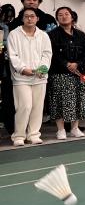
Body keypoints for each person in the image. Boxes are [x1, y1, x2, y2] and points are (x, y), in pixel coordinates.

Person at [7, 8, 52, 146]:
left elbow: (47, 54)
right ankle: (19, 136)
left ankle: (33, 134)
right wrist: (22, 69)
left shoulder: (43, 35)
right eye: (26, 16)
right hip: (21, 77)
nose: (29, 19)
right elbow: (12, 55)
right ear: (22, 19)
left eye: (32, 16)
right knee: (24, 106)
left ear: (37, 18)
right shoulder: (14, 34)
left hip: (40, 77)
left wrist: (43, 69)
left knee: (37, 107)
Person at [47, 7, 85, 140]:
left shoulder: (81, 35)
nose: (64, 16)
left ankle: (75, 128)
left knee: (78, 100)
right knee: (59, 101)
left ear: (72, 17)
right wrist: (66, 64)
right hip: (59, 73)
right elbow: (52, 53)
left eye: (67, 14)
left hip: (78, 73)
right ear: (57, 18)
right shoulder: (52, 35)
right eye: (60, 15)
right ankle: (60, 130)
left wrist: (78, 64)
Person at [1, 4, 16, 136]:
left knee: (8, 99)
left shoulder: (10, 27)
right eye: (6, 15)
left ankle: (11, 126)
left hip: (7, 68)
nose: (8, 18)